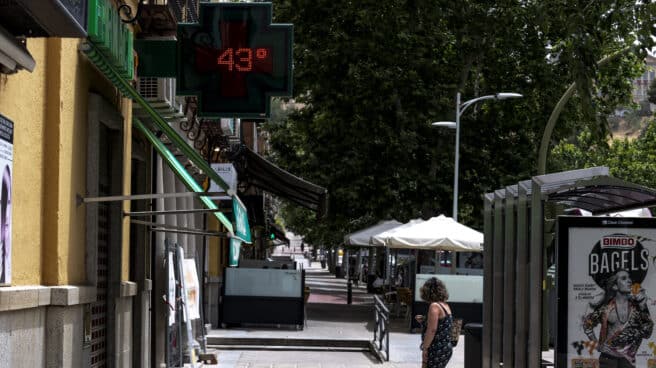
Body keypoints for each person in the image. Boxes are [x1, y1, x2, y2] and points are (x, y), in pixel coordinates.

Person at [582, 269, 653, 368]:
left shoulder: (637, 308)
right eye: (624, 278)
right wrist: (598, 344)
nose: (629, 281)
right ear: (615, 286)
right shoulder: (606, 308)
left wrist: (643, 306)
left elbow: (647, 333)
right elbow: (587, 324)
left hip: (628, 360)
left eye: (629, 278)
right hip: (607, 359)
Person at [415, 277, 453, 368]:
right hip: (445, 347)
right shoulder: (445, 305)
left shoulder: (434, 306)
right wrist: (425, 320)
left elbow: (432, 330)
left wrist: (425, 347)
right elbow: (442, 323)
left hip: (436, 348)